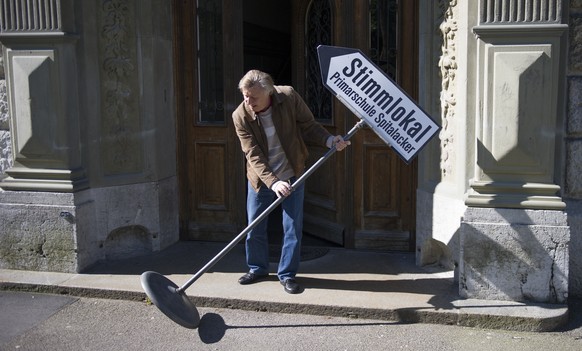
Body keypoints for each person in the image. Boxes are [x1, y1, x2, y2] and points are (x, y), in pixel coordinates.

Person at [232, 70, 350, 294]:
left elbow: (308, 124)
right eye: (245, 96)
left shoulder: (288, 97)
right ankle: (257, 268)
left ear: (269, 93)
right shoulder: (240, 116)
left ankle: (287, 275)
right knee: (254, 227)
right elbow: (252, 153)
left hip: (293, 173)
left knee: (292, 228)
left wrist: (328, 140)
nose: (248, 102)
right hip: (261, 179)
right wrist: (273, 182)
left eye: (253, 97)